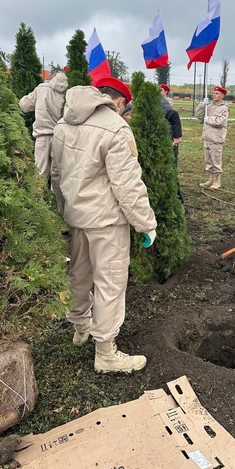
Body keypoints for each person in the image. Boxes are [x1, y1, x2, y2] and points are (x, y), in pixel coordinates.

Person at [50, 76, 157, 374]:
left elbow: (56, 176)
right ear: (120, 102)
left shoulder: (64, 123)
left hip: (78, 217)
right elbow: (127, 184)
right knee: (110, 283)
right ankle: (106, 353)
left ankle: (80, 327)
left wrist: (65, 209)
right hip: (107, 221)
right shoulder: (116, 127)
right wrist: (145, 224)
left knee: (79, 273)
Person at [18, 70, 68, 179]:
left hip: (43, 137)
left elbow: (24, 105)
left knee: (40, 175)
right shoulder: (69, 92)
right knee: (59, 177)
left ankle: (39, 196)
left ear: (53, 77)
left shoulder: (42, 88)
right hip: (62, 139)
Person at [196, 86, 229, 190]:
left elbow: (220, 121)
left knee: (216, 161)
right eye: (214, 93)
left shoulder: (224, 108)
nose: (215, 95)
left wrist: (209, 119)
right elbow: (199, 116)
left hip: (216, 139)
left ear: (222, 96)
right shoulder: (209, 106)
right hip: (207, 137)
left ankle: (217, 181)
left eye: (217, 93)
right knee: (208, 161)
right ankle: (210, 179)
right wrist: (202, 105)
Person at [159, 84, 184, 203]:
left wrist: (175, 139)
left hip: (169, 146)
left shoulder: (168, 109)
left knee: (170, 172)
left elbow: (177, 138)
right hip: (160, 145)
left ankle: (177, 199)